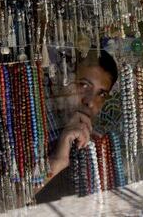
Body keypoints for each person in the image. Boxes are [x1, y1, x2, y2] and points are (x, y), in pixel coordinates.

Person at [35, 49, 118, 203]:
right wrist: (57, 161)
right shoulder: (30, 134)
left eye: (101, 94)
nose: (90, 102)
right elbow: (0, 203)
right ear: (59, 83)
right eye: (84, 85)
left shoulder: (96, 141)